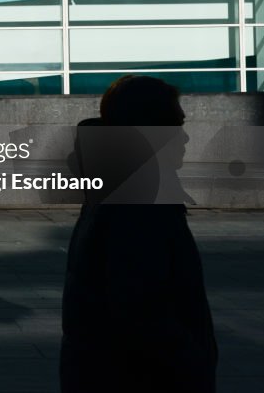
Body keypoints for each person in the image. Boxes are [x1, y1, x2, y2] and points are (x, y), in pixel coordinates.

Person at [61, 75, 217, 392]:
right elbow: (140, 310)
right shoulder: (140, 200)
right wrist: (191, 363)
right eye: (176, 124)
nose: (184, 137)